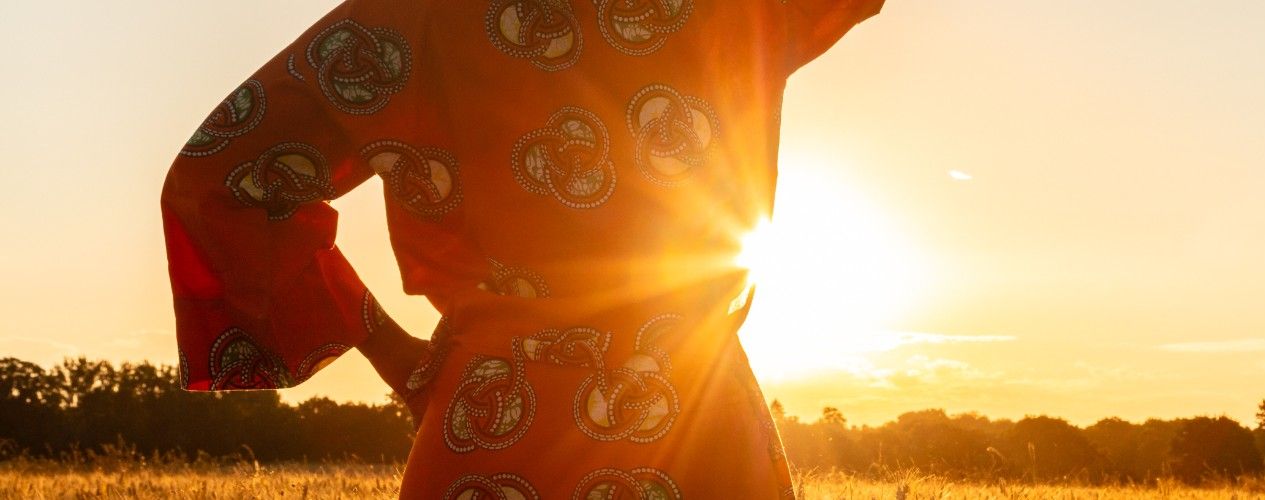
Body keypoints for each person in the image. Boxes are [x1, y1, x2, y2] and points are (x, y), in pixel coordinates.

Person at [159, 0, 883, 497]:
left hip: (492, 423)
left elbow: (217, 180)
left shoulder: (410, 18)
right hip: (695, 418)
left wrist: (392, 352)